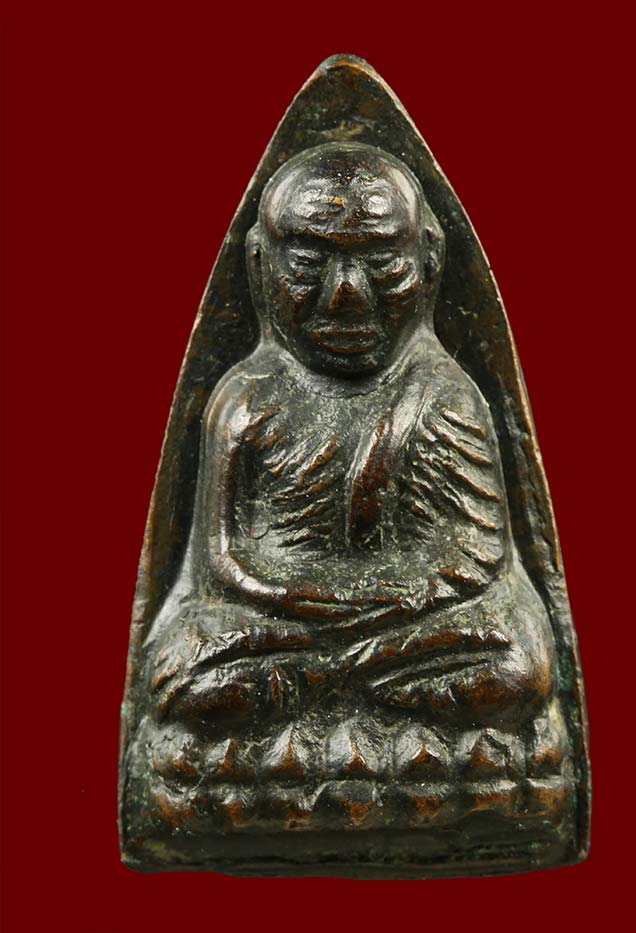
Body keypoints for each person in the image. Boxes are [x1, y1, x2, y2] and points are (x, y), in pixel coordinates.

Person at [146, 142, 556, 731]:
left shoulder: (444, 395)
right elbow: (224, 563)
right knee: (190, 665)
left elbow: (479, 555)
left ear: (429, 260)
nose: (346, 295)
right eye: (308, 264)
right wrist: (310, 600)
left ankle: (327, 694)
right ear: (260, 263)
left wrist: (386, 601)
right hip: (283, 622)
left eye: (382, 263)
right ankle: (373, 697)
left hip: (412, 619)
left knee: (519, 659)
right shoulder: (246, 399)